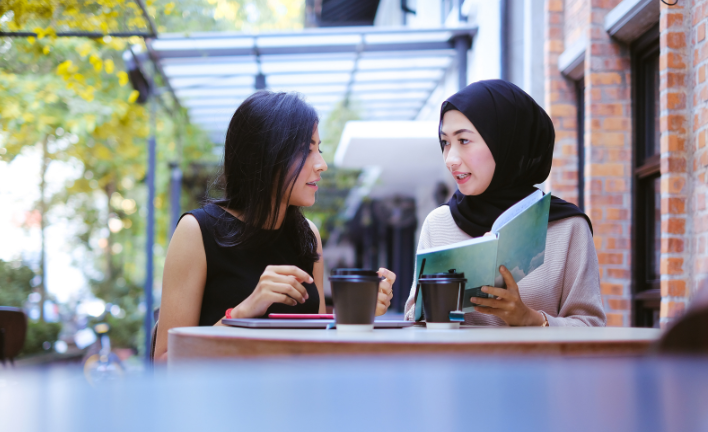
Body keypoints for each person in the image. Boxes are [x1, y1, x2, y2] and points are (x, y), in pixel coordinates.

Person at [154, 91, 397, 360]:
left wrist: (358, 313)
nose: (322, 165)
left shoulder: (307, 235)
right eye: (307, 150)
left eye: (319, 149)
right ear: (267, 156)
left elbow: (320, 346)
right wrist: (243, 313)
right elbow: (165, 361)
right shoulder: (196, 231)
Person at [404, 80, 605, 327]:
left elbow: (591, 327)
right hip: (455, 365)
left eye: (464, 141)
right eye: (445, 142)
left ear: (506, 142)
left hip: (538, 366)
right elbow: (414, 321)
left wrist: (530, 319)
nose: (450, 159)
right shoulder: (438, 224)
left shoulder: (567, 227)